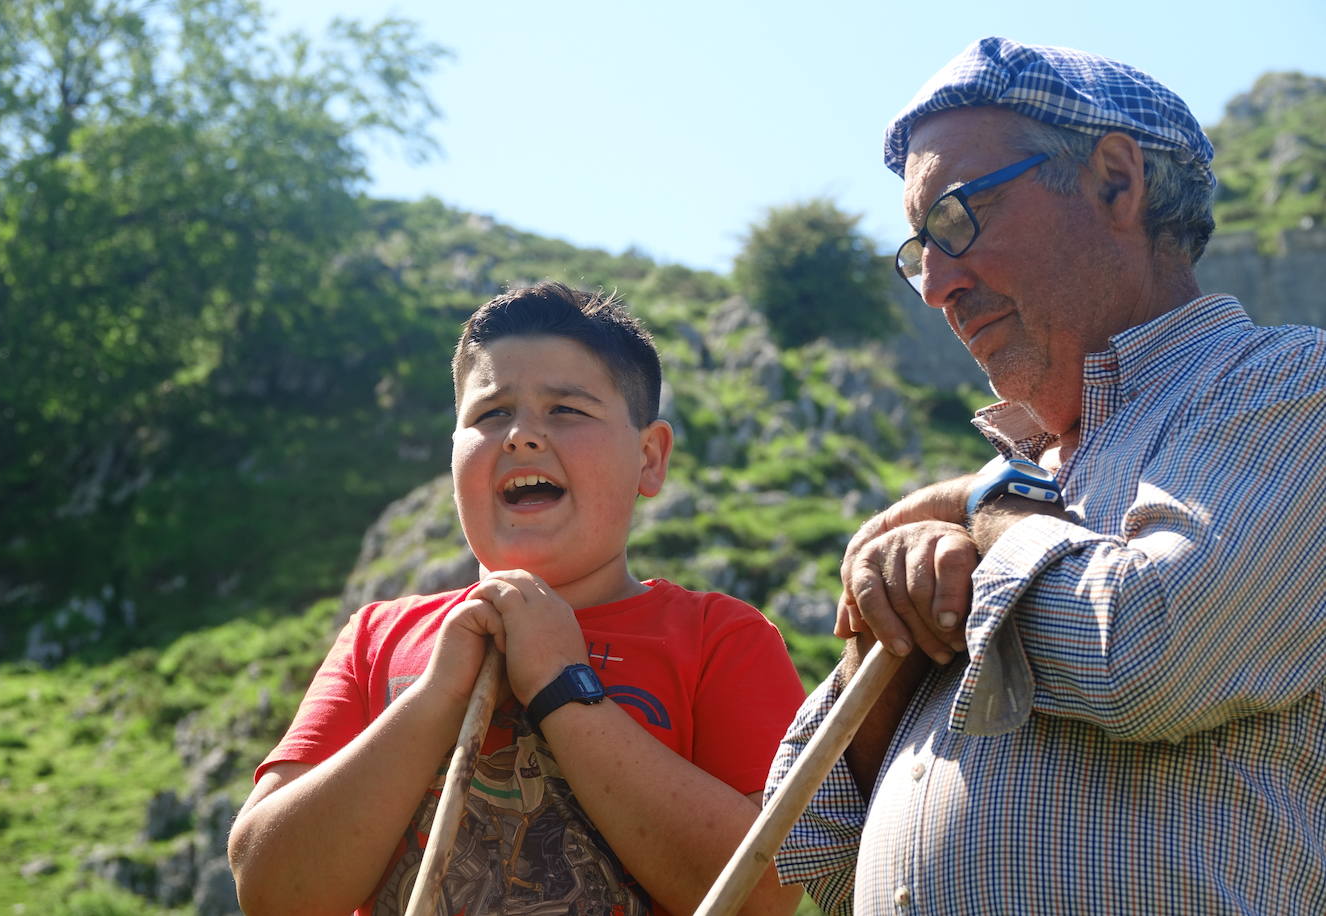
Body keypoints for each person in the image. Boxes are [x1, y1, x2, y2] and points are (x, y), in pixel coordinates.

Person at [766, 37, 1326, 915]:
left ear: (1114, 181)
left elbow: (1150, 651)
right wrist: (892, 629)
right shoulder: (1004, 501)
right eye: (920, 248)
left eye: (957, 219)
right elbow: (814, 846)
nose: (937, 285)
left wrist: (989, 507)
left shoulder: (1290, 384)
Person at [228, 282, 807, 916]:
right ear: (453, 453)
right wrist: (433, 698)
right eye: (490, 414)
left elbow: (766, 894)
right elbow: (268, 891)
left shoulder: (722, 637)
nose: (521, 436)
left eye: (566, 410)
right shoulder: (377, 636)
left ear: (649, 457)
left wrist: (563, 686)